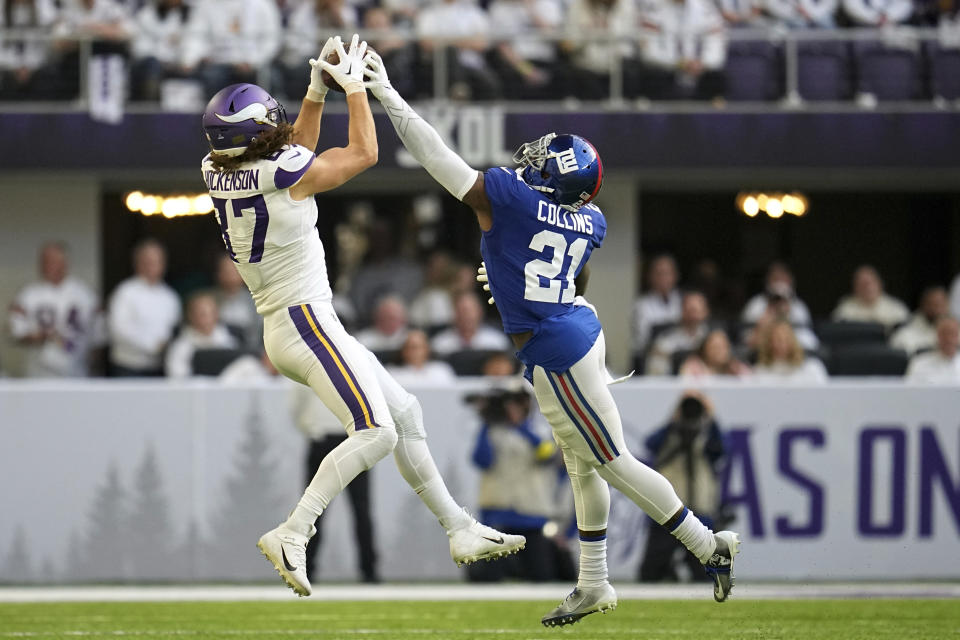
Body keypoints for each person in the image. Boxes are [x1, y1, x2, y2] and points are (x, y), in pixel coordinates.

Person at [362, 53, 740, 626]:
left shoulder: (511, 200)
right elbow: (570, 272)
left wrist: (388, 94)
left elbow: (435, 156)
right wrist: (511, 276)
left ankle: (706, 542)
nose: (530, 161)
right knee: (581, 462)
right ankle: (593, 582)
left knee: (610, 461)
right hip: (572, 325)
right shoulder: (593, 221)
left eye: (544, 160)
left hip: (555, 347)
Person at [199, 34, 523, 597]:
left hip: (295, 320)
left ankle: (459, 528)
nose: (279, 130)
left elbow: (292, 147)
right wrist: (354, 91)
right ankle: (293, 531)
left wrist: (314, 91)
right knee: (374, 432)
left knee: (405, 413)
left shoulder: (218, 166)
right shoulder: (281, 175)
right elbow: (363, 155)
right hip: (304, 320)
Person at [287, 380, 379, 583]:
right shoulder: (307, 365)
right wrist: (313, 430)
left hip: (355, 439)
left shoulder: (355, 364)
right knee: (312, 510)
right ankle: (306, 569)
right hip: (324, 440)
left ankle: (369, 570)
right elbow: (296, 407)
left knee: (361, 509)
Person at [467, 384, 561, 582]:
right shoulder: (492, 431)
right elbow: (482, 460)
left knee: (540, 573)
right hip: (498, 507)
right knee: (490, 575)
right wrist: (487, 423)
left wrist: (521, 427)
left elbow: (547, 455)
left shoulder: (540, 428)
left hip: (532, 509)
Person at [638, 392, 726, 582]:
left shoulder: (706, 437)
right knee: (650, 572)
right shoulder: (670, 435)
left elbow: (721, 450)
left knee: (705, 575)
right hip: (667, 512)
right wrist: (673, 421)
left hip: (698, 512)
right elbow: (650, 443)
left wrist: (711, 420)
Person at [8, 242, 102, 377]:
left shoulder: (84, 294)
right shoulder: (28, 294)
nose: (47, 266)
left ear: (65, 263)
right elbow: (16, 331)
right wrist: (38, 336)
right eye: (44, 261)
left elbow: (98, 335)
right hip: (39, 369)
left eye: (53, 261)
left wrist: (93, 361)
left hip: (76, 370)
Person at [107, 239, 181, 377]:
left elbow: (174, 328)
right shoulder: (125, 292)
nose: (152, 266)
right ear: (137, 263)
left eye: (157, 261)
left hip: (159, 367)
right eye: (147, 261)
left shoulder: (170, 296)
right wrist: (151, 346)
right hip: (128, 366)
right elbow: (118, 329)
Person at [164, 292, 239, 378]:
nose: (207, 319)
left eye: (211, 313)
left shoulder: (230, 342)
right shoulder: (180, 347)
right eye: (202, 314)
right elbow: (177, 378)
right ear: (190, 316)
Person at [645, 291, 712, 376]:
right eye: (690, 310)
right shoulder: (665, 341)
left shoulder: (713, 339)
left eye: (697, 311)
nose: (694, 316)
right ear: (682, 311)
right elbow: (655, 375)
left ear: (706, 312)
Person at [430, 291, 511, 356]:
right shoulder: (439, 345)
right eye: (462, 311)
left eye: (470, 311)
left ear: (480, 312)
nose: (466, 315)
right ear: (454, 314)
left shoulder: (497, 342)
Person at [832, 265, 909, 330]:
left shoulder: (896, 307)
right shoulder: (845, 308)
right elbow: (836, 330)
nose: (868, 288)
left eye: (870, 283)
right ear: (855, 287)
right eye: (862, 284)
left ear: (879, 284)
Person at [632, 254, 682, 354]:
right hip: (651, 355)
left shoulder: (682, 300)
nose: (664, 278)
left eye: (668, 273)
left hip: (679, 356)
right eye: (659, 274)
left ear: (675, 276)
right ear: (650, 277)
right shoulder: (641, 305)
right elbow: (644, 339)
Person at [752, 319, 828, 384]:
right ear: (768, 343)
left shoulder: (812, 368)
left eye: (785, 339)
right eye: (776, 339)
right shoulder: (759, 371)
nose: (781, 344)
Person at [213, 253, 261, 350]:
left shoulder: (256, 300)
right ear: (218, 274)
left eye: (234, 270)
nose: (230, 275)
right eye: (226, 271)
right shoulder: (210, 300)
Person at [890, 286, 949, 356]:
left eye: (939, 304)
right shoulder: (904, 333)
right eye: (931, 304)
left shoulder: (956, 333)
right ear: (922, 305)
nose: (935, 309)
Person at [385, 329, 457, 386]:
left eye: (417, 347)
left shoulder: (442, 371)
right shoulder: (392, 374)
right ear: (403, 351)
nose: (413, 352)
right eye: (408, 347)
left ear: (427, 349)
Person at [905, 316, 960, 383]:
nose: (948, 339)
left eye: (953, 334)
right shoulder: (919, 364)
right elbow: (909, 391)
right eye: (944, 334)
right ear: (936, 335)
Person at [678, 329, 750, 379]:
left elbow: (751, 384)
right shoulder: (693, 366)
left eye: (723, 347)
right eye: (715, 347)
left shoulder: (736, 367)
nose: (719, 351)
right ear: (704, 349)